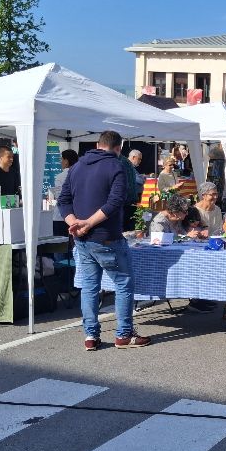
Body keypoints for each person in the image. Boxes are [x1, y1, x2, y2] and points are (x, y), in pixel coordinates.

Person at [58, 130, 151, 351]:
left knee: (90, 286)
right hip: (106, 237)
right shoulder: (116, 166)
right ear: (118, 148)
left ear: (98, 145)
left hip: (82, 239)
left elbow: (63, 201)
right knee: (124, 284)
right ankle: (123, 335)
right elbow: (116, 201)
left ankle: (90, 336)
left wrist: (75, 223)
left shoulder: (77, 166)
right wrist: (88, 223)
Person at [52, 149, 79, 236]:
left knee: (61, 242)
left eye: (61, 159)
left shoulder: (60, 177)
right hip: (77, 215)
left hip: (61, 216)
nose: (60, 162)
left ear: (66, 161)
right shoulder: (81, 175)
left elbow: (59, 196)